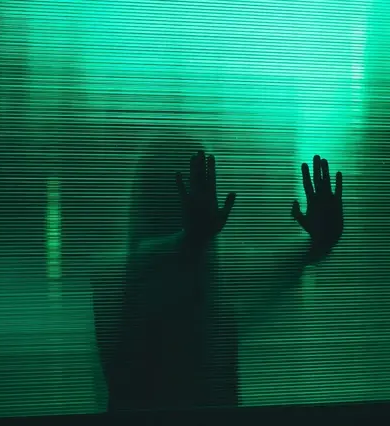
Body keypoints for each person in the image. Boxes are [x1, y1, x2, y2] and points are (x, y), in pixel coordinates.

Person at [92, 143, 343, 412]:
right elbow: (128, 379)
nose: (208, 201)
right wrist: (191, 241)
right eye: (196, 189)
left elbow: (281, 263)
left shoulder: (218, 275)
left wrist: (319, 243)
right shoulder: (114, 279)